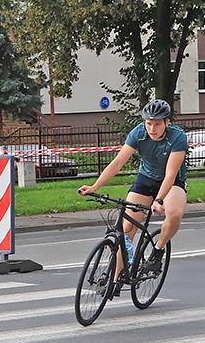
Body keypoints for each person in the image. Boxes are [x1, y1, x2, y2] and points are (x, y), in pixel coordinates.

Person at [78, 98, 188, 277]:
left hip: (172, 182)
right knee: (126, 229)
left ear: (167, 122)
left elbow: (170, 174)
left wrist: (159, 200)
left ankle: (158, 249)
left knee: (174, 213)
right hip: (146, 179)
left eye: (157, 124)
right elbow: (118, 163)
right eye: (149, 123)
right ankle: (115, 279)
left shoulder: (177, 137)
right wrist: (95, 186)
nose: (152, 129)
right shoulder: (138, 133)